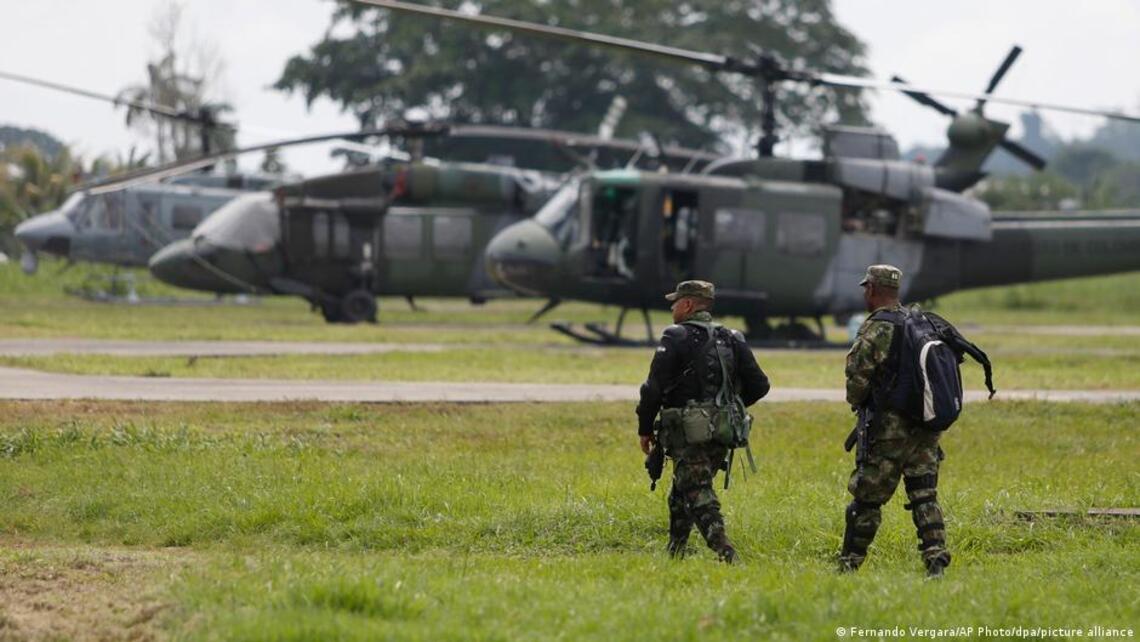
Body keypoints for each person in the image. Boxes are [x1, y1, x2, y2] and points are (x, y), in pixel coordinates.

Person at [637, 280, 770, 563]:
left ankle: (726, 552)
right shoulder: (733, 337)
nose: (672, 308)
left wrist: (645, 429)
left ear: (687, 305)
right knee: (682, 490)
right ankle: (675, 552)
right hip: (722, 431)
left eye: (675, 303)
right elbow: (760, 385)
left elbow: (652, 389)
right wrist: (726, 409)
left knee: (698, 491)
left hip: (688, 432)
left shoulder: (675, 336)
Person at [839, 264, 952, 578]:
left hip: (889, 430)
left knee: (867, 500)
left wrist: (859, 401)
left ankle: (849, 564)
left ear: (872, 289)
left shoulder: (877, 328)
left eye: (866, 288)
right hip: (926, 428)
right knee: (924, 494)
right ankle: (935, 561)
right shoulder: (919, 321)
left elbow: (857, 378)